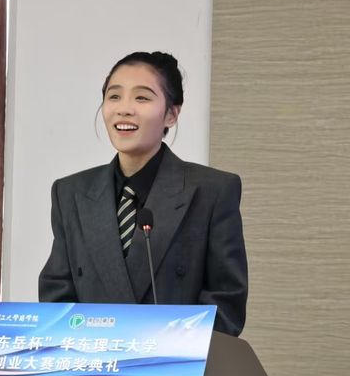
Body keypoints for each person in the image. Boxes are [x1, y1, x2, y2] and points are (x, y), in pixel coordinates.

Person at [38, 51, 248, 336]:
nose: (124, 109)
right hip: (94, 358)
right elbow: (56, 297)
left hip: (173, 360)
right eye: (114, 96)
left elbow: (226, 302)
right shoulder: (71, 193)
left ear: (171, 114)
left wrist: (163, 348)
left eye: (142, 98)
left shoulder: (212, 191)